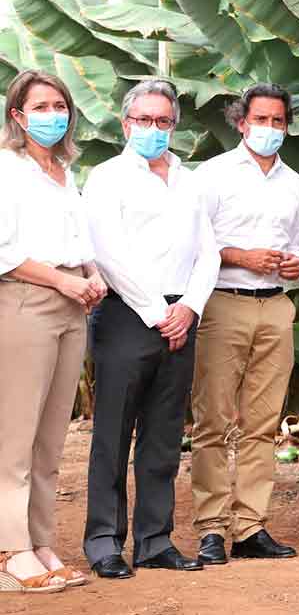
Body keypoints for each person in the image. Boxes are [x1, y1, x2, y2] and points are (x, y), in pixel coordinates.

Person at [82, 80, 220, 578]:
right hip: (126, 314)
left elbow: (210, 252)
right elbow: (109, 253)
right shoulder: (107, 176)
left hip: (182, 315)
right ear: (126, 123)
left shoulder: (189, 180)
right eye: (143, 120)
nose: (153, 129)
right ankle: (103, 541)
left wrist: (190, 307)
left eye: (163, 121)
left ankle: (155, 539)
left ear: (174, 126)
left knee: (163, 437)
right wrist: (156, 313)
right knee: (113, 434)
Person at [191, 84, 299, 565]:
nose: (269, 129)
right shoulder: (213, 175)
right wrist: (241, 256)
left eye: (277, 121)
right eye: (260, 119)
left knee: (262, 424)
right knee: (214, 421)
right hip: (222, 304)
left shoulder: (294, 182)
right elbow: (194, 244)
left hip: (276, 307)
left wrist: (292, 264)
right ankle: (211, 528)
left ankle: (249, 526)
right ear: (241, 123)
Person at [0, 70, 106, 594]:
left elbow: (79, 239)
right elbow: (6, 252)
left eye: (60, 105)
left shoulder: (65, 171)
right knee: (14, 437)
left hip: (70, 308)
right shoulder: (7, 170)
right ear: (18, 116)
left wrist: (92, 275)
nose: (53, 114)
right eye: (40, 106)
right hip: (26, 303)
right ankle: (10, 550)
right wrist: (64, 280)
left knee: (49, 441)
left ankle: (40, 543)